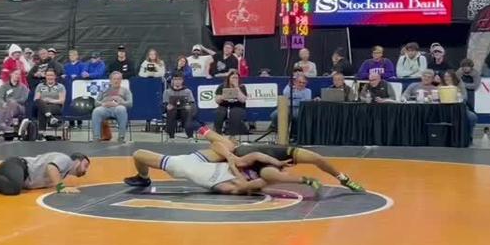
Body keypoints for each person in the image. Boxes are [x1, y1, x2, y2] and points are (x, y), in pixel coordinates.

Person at [123, 129, 321, 195]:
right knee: (226, 145)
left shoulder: (235, 185)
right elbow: (223, 147)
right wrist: (232, 159)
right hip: (200, 160)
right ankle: (144, 178)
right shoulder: (246, 161)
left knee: (139, 153)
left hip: (187, 166)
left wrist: (300, 180)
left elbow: (255, 183)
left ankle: (143, 178)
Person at [195, 127, 365, 192]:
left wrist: (202, 130)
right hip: (261, 166)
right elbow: (213, 141)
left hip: (277, 153)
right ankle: (305, 180)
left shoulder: (236, 145)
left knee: (316, 157)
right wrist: (229, 156)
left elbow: (208, 134)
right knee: (270, 176)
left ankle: (344, 179)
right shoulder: (230, 150)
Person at [90, 71, 132, 142]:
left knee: (121, 109)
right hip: (105, 108)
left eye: (118, 79)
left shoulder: (126, 91)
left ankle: (121, 137)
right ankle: (96, 137)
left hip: (118, 108)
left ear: (121, 80)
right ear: (110, 80)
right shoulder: (104, 90)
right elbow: (95, 102)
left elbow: (130, 103)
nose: (116, 81)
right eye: (114, 79)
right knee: (96, 111)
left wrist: (120, 102)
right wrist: (102, 104)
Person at [163, 73, 197, 139]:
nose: (177, 81)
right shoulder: (167, 92)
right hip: (173, 110)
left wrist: (189, 107)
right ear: (172, 81)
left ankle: (190, 136)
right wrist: (167, 106)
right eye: (175, 79)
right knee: (171, 112)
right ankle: (171, 136)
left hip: (184, 110)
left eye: (179, 79)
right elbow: (164, 104)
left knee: (187, 113)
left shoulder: (187, 91)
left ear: (182, 81)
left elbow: (192, 103)